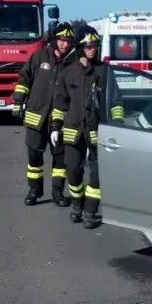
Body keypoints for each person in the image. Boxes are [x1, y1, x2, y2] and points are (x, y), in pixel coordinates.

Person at [51, 25, 124, 228]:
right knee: (73, 172)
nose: (93, 48)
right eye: (89, 45)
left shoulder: (105, 71)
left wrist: (116, 125)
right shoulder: (68, 72)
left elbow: (116, 101)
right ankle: (78, 204)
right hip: (73, 130)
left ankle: (91, 211)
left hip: (98, 131)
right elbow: (60, 102)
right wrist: (55, 126)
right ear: (80, 47)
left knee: (97, 174)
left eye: (95, 45)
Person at [11, 22, 78, 206]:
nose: (65, 44)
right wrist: (18, 100)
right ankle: (34, 191)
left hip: (61, 120)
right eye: (61, 40)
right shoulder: (39, 57)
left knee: (60, 160)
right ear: (54, 40)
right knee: (34, 158)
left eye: (68, 41)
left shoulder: (73, 64)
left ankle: (57, 193)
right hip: (36, 117)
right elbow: (24, 78)